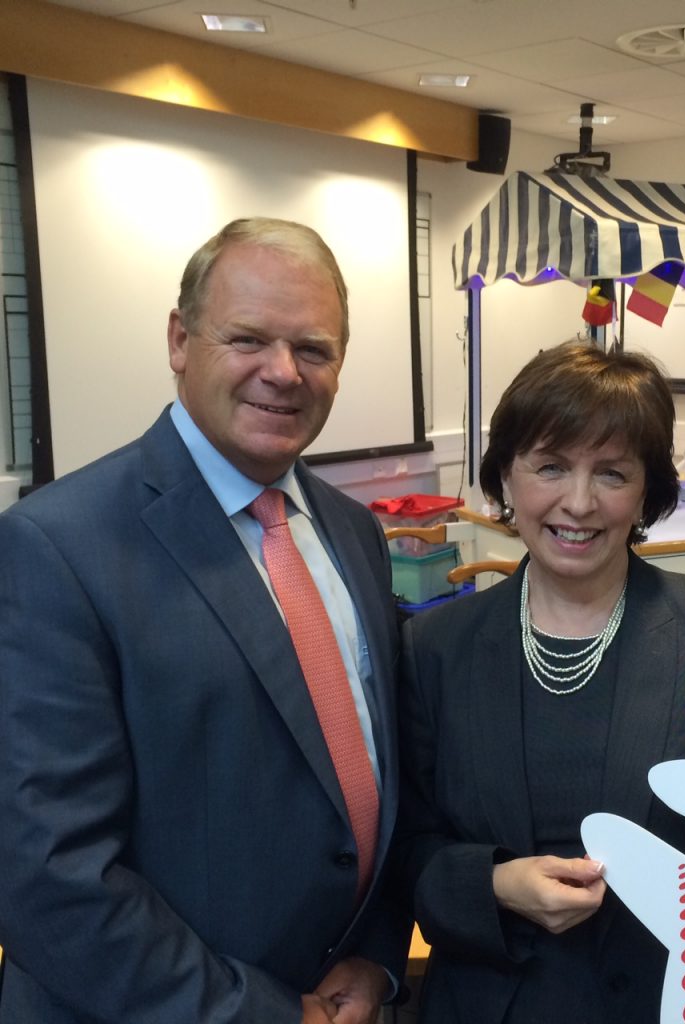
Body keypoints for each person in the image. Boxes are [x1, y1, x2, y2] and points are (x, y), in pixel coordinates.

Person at [0, 218, 406, 1023]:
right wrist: (262, 1014)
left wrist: (379, 961)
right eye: (248, 338)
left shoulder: (353, 533)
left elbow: (374, 779)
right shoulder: (56, 547)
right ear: (180, 340)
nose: (283, 373)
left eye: (314, 349)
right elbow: (48, 874)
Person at [396, 341, 685, 1024]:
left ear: (648, 489)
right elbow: (405, 853)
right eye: (551, 466)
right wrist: (493, 883)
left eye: (613, 473)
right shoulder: (435, 647)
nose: (580, 503)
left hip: (671, 1005)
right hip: (488, 1004)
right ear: (505, 476)